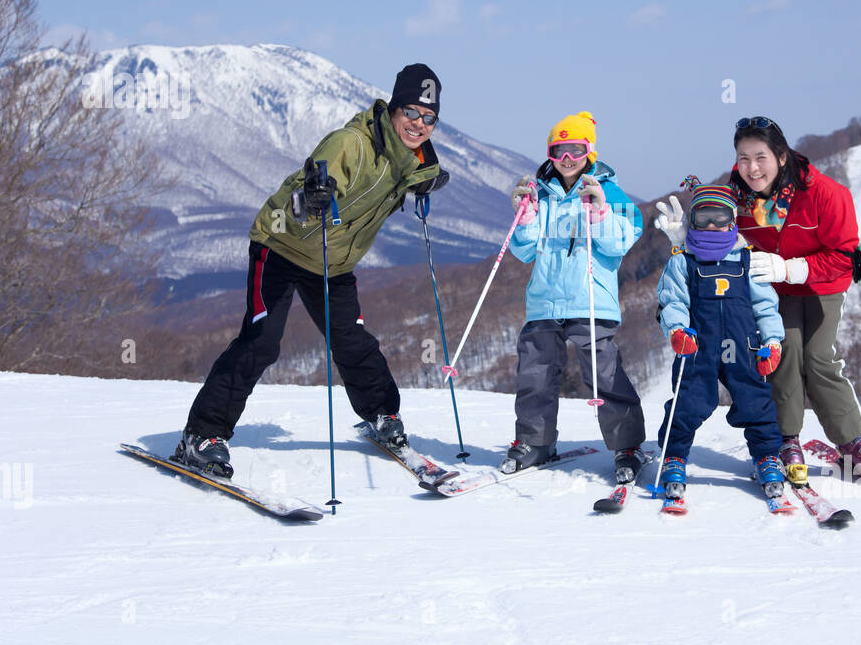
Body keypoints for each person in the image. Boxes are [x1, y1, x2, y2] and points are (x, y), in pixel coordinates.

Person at [174, 63, 449, 477]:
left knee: (351, 340)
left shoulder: (415, 161)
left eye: (429, 117)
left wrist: (426, 183)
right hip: (282, 247)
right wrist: (313, 197)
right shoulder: (350, 144)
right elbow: (305, 190)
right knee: (262, 341)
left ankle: (381, 415)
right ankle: (203, 434)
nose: (418, 123)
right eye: (411, 111)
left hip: (332, 263)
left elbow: (423, 172)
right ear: (393, 109)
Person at [721, 116, 861, 486]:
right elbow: (717, 235)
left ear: (782, 156)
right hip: (774, 290)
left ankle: (852, 440)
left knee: (818, 357)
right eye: (743, 158)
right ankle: (786, 438)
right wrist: (686, 236)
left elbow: (843, 257)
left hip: (822, 284)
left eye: (760, 157)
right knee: (783, 352)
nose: (751, 168)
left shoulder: (824, 193)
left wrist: (789, 268)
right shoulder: (736, 198)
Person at [503, 111, 646, 482]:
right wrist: (528, 216)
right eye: (558, 152)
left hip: (589, 300)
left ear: (590, 152)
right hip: (545, 300)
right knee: (534, 373)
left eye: (575, 150)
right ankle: (535, 441)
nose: (567, 160)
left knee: (603, 374)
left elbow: (622, 242)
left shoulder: (608, 190)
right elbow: (524, 252)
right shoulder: (542, 192)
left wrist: (600, 211)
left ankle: (627, 445)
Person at [654, 181, 786, 505]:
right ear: (692, 221)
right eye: (703, 218)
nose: (712, 226)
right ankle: (674, 456)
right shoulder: (683, 261)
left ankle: (767, 456)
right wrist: (677, 331)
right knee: (689, 401)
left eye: (719, 217)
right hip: (698, 347)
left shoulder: (747, 261)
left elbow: (765, 306)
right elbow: (672, 302)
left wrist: (772, 342)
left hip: (744, 346)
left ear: (733, 220)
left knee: (756, 401)